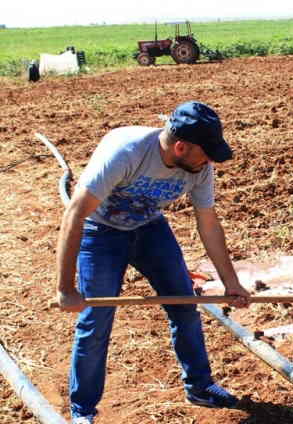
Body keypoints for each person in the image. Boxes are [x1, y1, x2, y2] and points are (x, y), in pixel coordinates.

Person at [55, 101, 252, 424]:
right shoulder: (127, 153)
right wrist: (65, 288)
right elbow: (75, 214)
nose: (209, 161)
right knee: (95, 321)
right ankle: (83, 412)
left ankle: (200, 386)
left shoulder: (200, 167)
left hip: (149, 228)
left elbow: (208, 223)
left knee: (185, 304)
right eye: (205, 153)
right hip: (100, 231)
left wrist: (231, 281)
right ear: (180, 146)